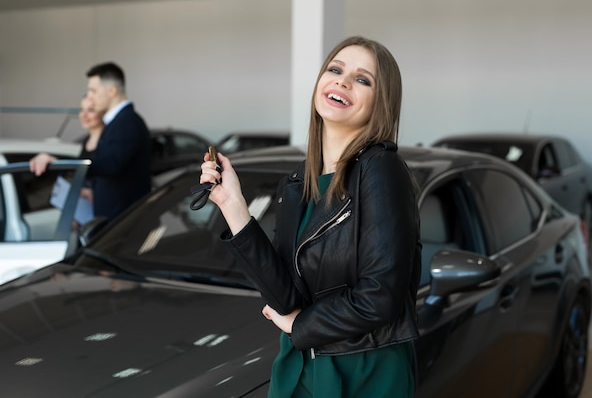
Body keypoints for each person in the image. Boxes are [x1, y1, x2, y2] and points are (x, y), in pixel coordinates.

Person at [199, 36, 421, 398]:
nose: (342, 82)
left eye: (362, 79)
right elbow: (284, 295)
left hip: (362, 369)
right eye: (335, 70)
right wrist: (231, 203)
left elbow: (380, 297)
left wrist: (301, 323)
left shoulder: (382, 168)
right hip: (299, 363)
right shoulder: (300, 178)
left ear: (381, 103)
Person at [83, 61, 152, 220]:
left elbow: (109, 165)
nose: (89, 97)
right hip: (118, 219)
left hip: (123, 224)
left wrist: (66, 162)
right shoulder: (118, 122)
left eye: (93, 91)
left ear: (111, 90)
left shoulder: (126, 122)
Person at [30, 95, 105, 224]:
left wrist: (93, 191)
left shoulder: (108, 142)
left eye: (91, 110)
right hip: (84, 213)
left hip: (103, 212)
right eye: (82, 110)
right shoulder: (87, 140)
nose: (84, 115)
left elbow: (102, 172)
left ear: (102, 112)